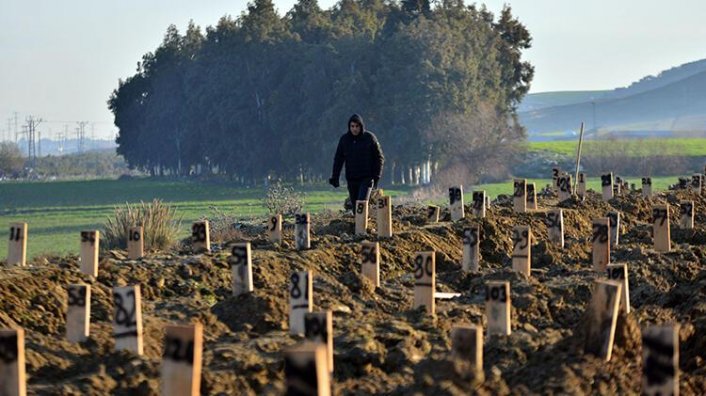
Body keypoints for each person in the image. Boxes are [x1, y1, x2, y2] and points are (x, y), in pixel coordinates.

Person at [329, 114, 384, 210]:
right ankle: (360, 223)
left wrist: (376, 176)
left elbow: (379, 158)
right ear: (349, 127)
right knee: (356, 209)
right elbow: (338, 159)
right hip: (351, 179)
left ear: (361, 126)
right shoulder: (344, 140)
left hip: (366, 178)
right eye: (352, 126)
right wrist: (335, 177)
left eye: (357, 126)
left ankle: (363, 224)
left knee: (361, 204)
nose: (354, 129)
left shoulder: (369, 138)